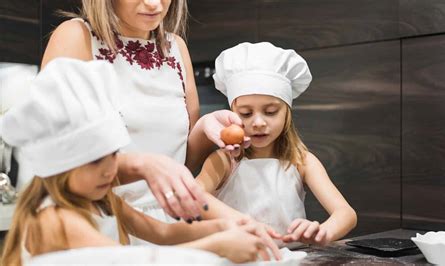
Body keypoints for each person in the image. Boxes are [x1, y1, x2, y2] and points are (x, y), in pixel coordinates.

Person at [38, 0, 280, 256]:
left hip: (166, 223)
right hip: (99, 220)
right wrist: (142, 165)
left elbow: (180, 165)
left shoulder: (176, 47)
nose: (154, 4)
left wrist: (205, 129)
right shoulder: (76, 36)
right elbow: (58, 160)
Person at [0, 58, 271, 266]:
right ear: (58, 169)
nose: (111, 169)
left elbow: (163, 233)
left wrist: (225, 226)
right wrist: (219, 245)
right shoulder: (57, 218)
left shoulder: (103, 200)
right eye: (95, 162)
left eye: (114, 154)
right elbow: (129, 260)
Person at [196, 42, 358, 246]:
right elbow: (194, 195)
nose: (258, 122)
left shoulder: (301, 160)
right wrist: (242, 223)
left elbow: (346, 213)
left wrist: (322, 232)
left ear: (287, 113)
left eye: (270, 111)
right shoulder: (224, 160)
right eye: (246, 114)